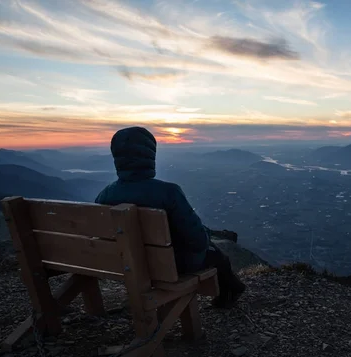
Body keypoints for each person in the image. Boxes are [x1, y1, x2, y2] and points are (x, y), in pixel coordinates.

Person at [95, 126, 245, 308]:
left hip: (127, 266)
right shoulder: (168, 193)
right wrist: (205, 236)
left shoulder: (105, 195)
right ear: (150, 155)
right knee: (217, 255)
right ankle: (228, 295)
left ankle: (233, 290)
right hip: (170, 266)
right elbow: (198, 242)